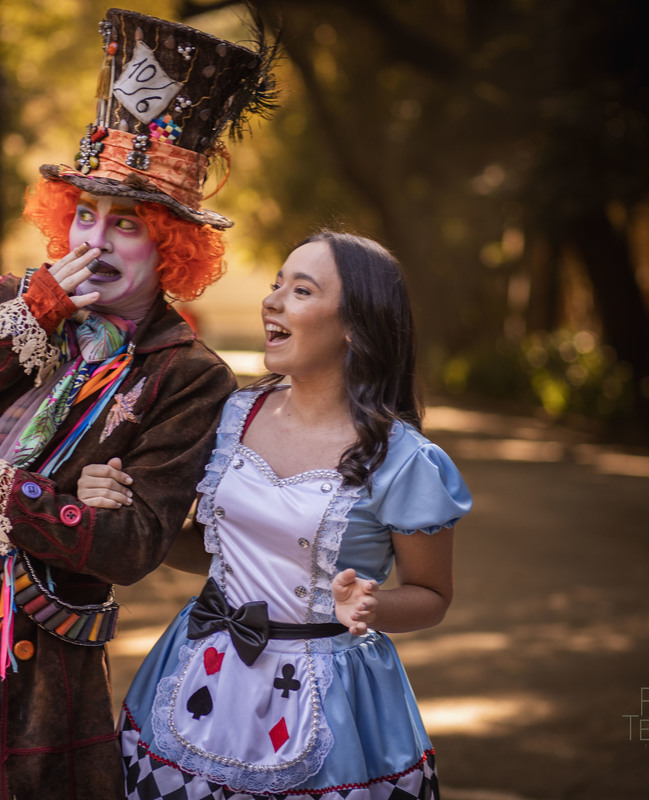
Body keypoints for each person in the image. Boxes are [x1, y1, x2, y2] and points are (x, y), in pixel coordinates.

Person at [0, 9, 276, 800]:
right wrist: (25, 325)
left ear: (172, 248)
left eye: (127, 225)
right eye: (85, 215)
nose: (96, 241)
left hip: (44, 661)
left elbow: (133, 544)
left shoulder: (189, 377)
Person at [78, 231, 473, 800]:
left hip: (331, 698)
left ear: (356, 324)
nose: (273, 301)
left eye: (302, 291)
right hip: (199, 664)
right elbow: (207, 550)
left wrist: (373, 606)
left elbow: (433, 595)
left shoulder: (405, 460)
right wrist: (124, 508)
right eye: (276, 285)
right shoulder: (231, 415)